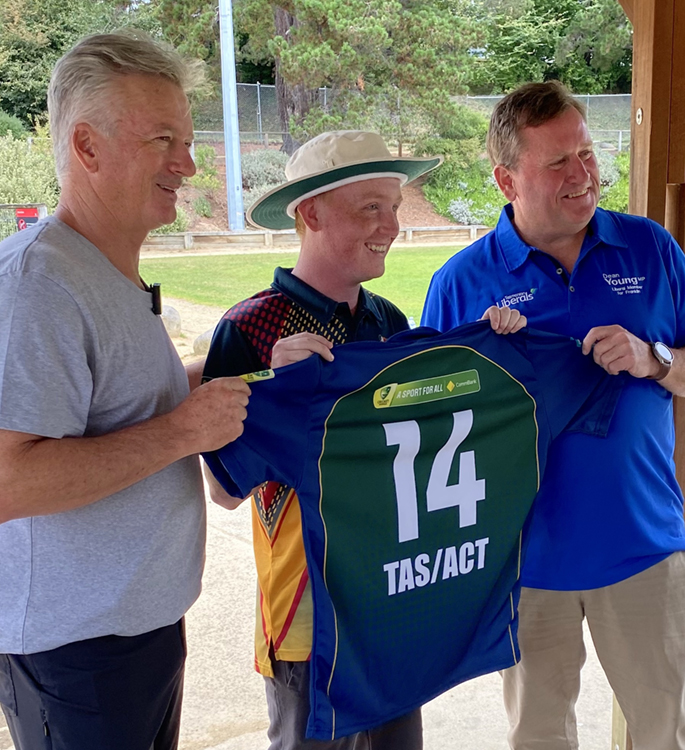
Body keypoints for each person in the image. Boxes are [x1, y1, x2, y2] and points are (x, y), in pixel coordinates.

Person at [422, 80, 685, 750]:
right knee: (537, 738)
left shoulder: (648, 248)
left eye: (586, 153)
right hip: (524, 563)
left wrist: (656, 358)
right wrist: (484, 369)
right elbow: (431, 434)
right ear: (506, 178)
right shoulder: (461, 284)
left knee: (667, 736)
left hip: (646, 545)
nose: (582, 175)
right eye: (557, 162)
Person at [202, 129, 525, 749]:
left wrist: (492, 355)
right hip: (307, 622)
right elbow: (222, 487)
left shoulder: (387, 322)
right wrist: (271, 381)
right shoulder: (247, 328)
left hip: (387, 609)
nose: (391, 225)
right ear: (311, 212)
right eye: (370, 207)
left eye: (395, 206)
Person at [0, 32, 250, 750]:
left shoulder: (105, 270)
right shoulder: (38, 282)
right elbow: (2, 484)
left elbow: (126, 408)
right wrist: (186, 432)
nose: (188, 165)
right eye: (164, 139)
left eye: (187, 141)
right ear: (87, 148)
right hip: (75, 655)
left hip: (132, 633)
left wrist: (245, 375)